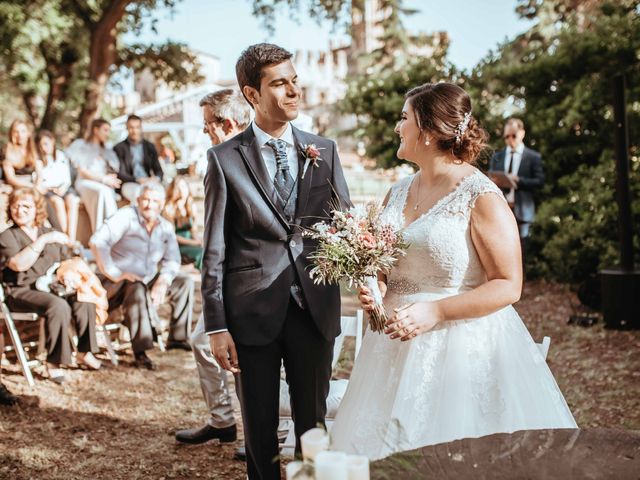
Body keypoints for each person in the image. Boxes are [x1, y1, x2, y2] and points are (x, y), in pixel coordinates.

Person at [330, 83, 576, 460]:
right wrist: (376, 287)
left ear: (427, 132)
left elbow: (509, 286)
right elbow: (383, 264)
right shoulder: (396, 192)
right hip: (390, 346)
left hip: (458, 350)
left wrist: (437, 310)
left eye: (403, 118)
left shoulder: (482, 196)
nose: (398, 128)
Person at [202, 44, 351, 479]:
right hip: (250, 315)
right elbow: (214, 249)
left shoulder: (323, 150)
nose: (293, 91)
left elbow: (344, 225)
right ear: (251, 93)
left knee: (313, 429)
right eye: (280, 83)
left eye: (295, 81)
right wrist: (216, 325)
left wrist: (366, 267)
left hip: (314, 308)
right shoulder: (224, 158)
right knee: (261, 435)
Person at [173, 88, 250, 447]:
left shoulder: (226, 158)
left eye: (208, 125)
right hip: (231, 274)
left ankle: (259, 434)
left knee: (245, 355)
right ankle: (223, 420)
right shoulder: (225, 157)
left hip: (244, 278)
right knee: (203, 342)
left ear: (227, 122)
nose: (206, 132)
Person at [0, 188, 101, 383]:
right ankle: (54, 362)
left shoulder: (48, 232)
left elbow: (67, 260)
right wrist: (43, 240)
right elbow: (19, 265)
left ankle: (85, 351)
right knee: (58, 305)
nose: (20, 210)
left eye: (26, 206)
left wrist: (69, 273)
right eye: (16, 206)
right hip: (20, 291)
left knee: (84, 297)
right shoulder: (7, 236)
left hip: (52, 287)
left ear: (37, 209)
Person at [90, 182, 194, 371]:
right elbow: (97, 242)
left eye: (155, 201)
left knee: (185, 282)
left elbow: (173, 260)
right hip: (118, 283)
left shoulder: (165, 227)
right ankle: (141, 352)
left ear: (162, 204)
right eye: (145, 199)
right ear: (138, 200)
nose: (149, 205)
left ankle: (177, 338)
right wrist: (115, 273)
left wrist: (162, 282)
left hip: (148, 279)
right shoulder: (125, 217)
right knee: (136, 287)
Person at [489, 118, 544, 238]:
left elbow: (539, 182)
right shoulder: (497, 157)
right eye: (506, 136)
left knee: (523, 251)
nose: (509, 139)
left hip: (523, 213)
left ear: (522, 133)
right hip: (500, 211)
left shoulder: (533, 157)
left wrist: (519, 180)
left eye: (513, 135)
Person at [67, 118, 121, 232]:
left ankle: (112, 231)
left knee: (106, 192)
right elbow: (82, 171)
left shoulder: (107, 149)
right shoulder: (81, 145)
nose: (108, 134)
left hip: (104, 184)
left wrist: (110, 178)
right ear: (96, 130)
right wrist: (103, 179)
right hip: (84, 182)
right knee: (103, 191)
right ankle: (100, 233)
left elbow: (113, 170)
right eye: (105, 130)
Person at [36, 130, 80, 242]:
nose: (44, 148)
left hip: (64, 187)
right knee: (58, 202)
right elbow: (40, 181)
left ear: (53, 141)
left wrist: (62, 188)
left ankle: (72, 238)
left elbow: (66, 177)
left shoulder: (61, 155)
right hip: (49, 190)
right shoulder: (39, 160)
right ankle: (65, 237)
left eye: (46, 144)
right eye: (41, 145)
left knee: (72, 201)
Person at [113, 115, 163, 203]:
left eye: (137, 127)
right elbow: (120, 173)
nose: (134, 131)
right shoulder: (119, 148)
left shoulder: (149, 147)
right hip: (129, 183)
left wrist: (156, 178)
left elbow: (159, 170)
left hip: (148, 182)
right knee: (138, 195)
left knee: (160, 193)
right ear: (127, 128)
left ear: (141, 128)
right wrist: (137, 180)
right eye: (131, 127)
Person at [163, 176, 203, 270]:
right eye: (179, 187)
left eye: (184, 187)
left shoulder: (191, 206)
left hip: (191, 242)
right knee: (202, 254)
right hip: (177, 245)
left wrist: (199, 241)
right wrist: (193, 243)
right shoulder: (168, 208)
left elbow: (194, 231)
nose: (182, 190)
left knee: (209, 250)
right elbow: (172, 236)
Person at [1, 120, 43, 191]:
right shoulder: (6, 151)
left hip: (33, 186)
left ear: (28, 133)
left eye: (23, 131)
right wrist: (32, 186)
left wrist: (37, 186)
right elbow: (10, 178)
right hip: (15, 187)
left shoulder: (34, 150)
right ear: (11, 134)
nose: (20, 135)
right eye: (16, 132)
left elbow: (39, 174)